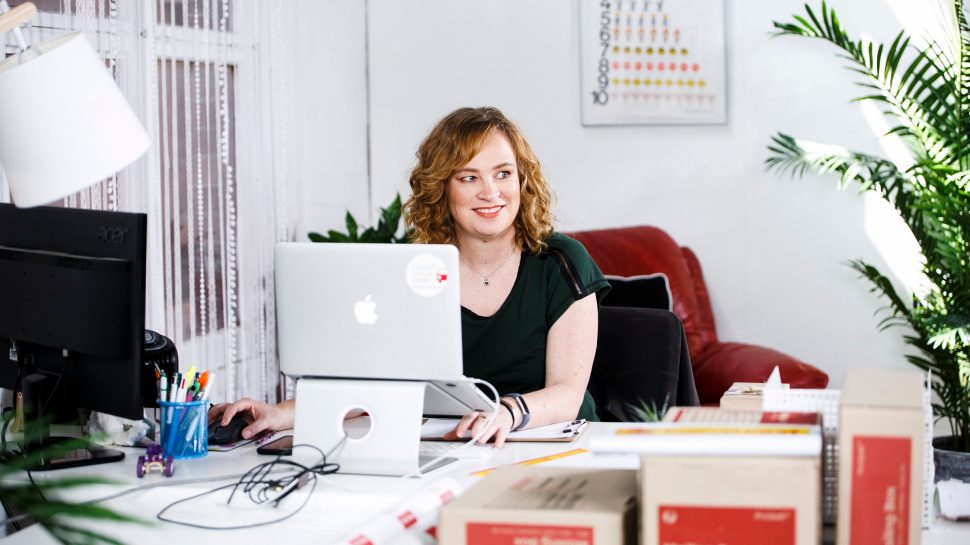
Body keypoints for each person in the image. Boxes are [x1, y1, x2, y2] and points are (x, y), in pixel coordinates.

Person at [210, 107, 609, 447]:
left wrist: (504, 412)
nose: (491, 192)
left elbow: (567, 394)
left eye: (503, 173)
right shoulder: (417, 272)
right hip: (460, 447)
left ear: (522, 180)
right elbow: (381, 383)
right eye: (469, 177)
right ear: (442, 191)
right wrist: (280, 414)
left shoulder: (561, 262)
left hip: (559, 444)